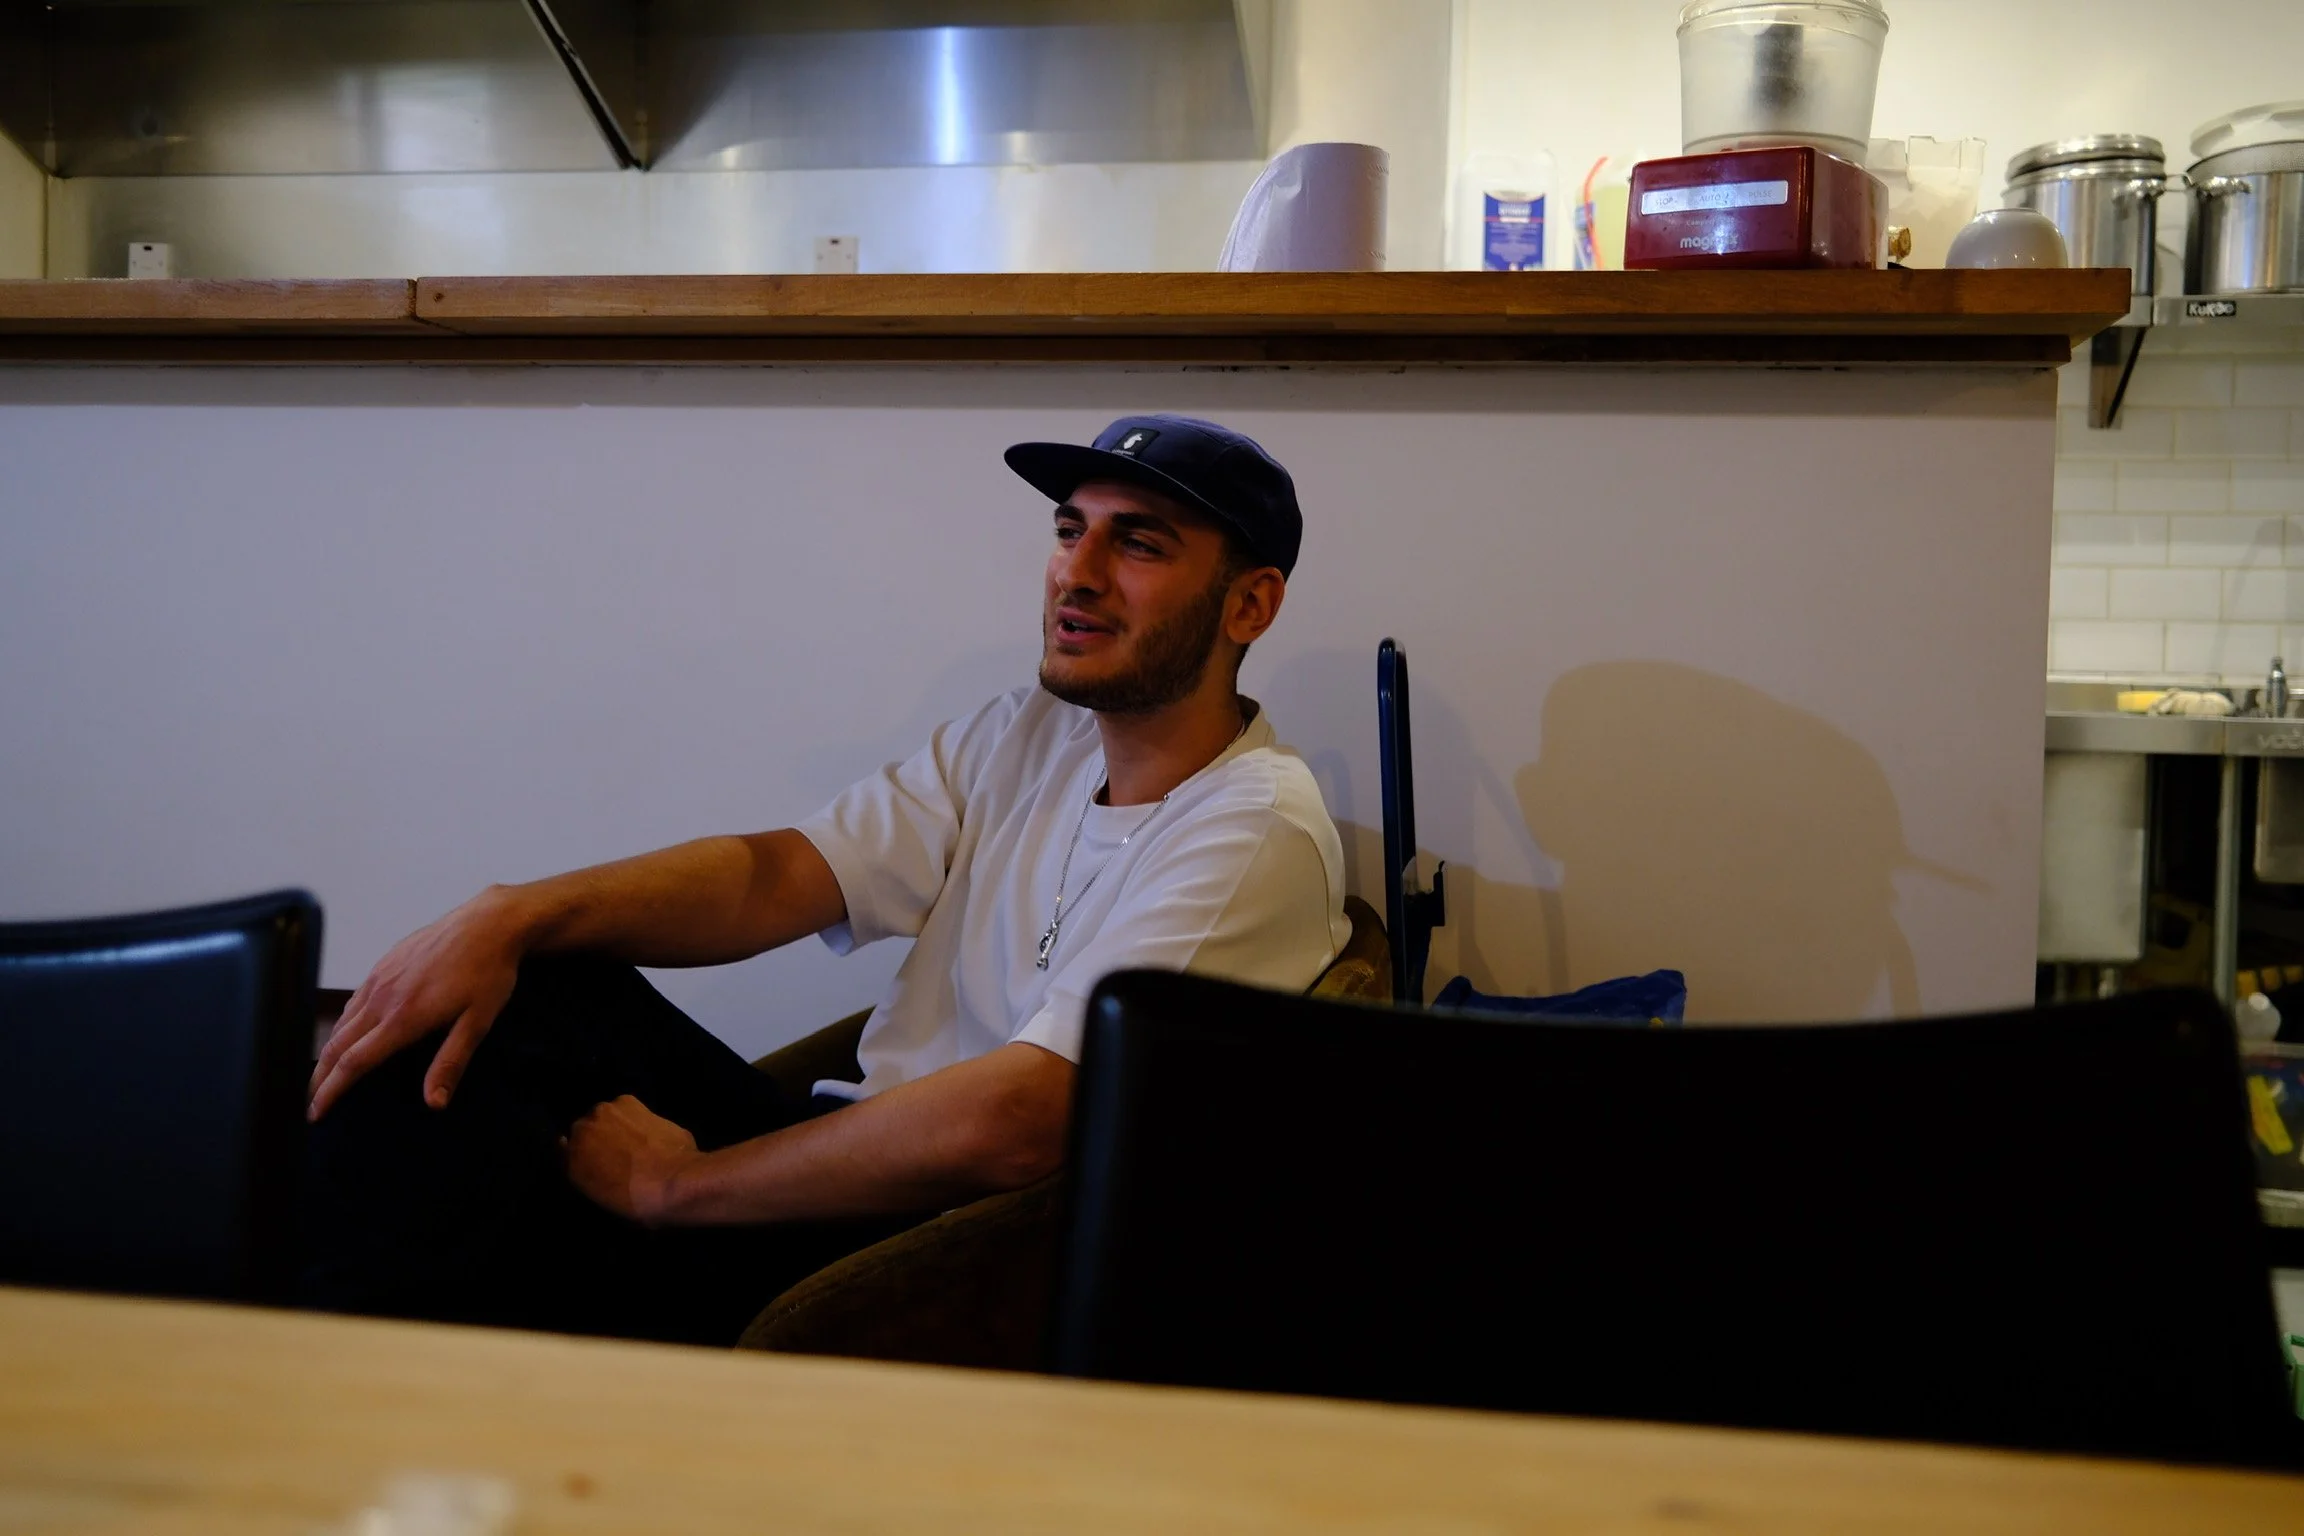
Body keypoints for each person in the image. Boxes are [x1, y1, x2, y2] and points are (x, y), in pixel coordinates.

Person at [300, 414, 1351, 1346]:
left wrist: (676, 1185)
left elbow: (1026, 1119)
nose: (1078, 572)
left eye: (1141, 543)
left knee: (474, 1205)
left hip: (937, 1244)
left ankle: (321, 1378)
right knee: (534, 986)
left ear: (1249, 605)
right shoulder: (1033, 734)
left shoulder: (1252, 829)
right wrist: (515, 912)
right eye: (1072, 529)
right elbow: (780, 876)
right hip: (839, 1155)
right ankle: (337, 1354)